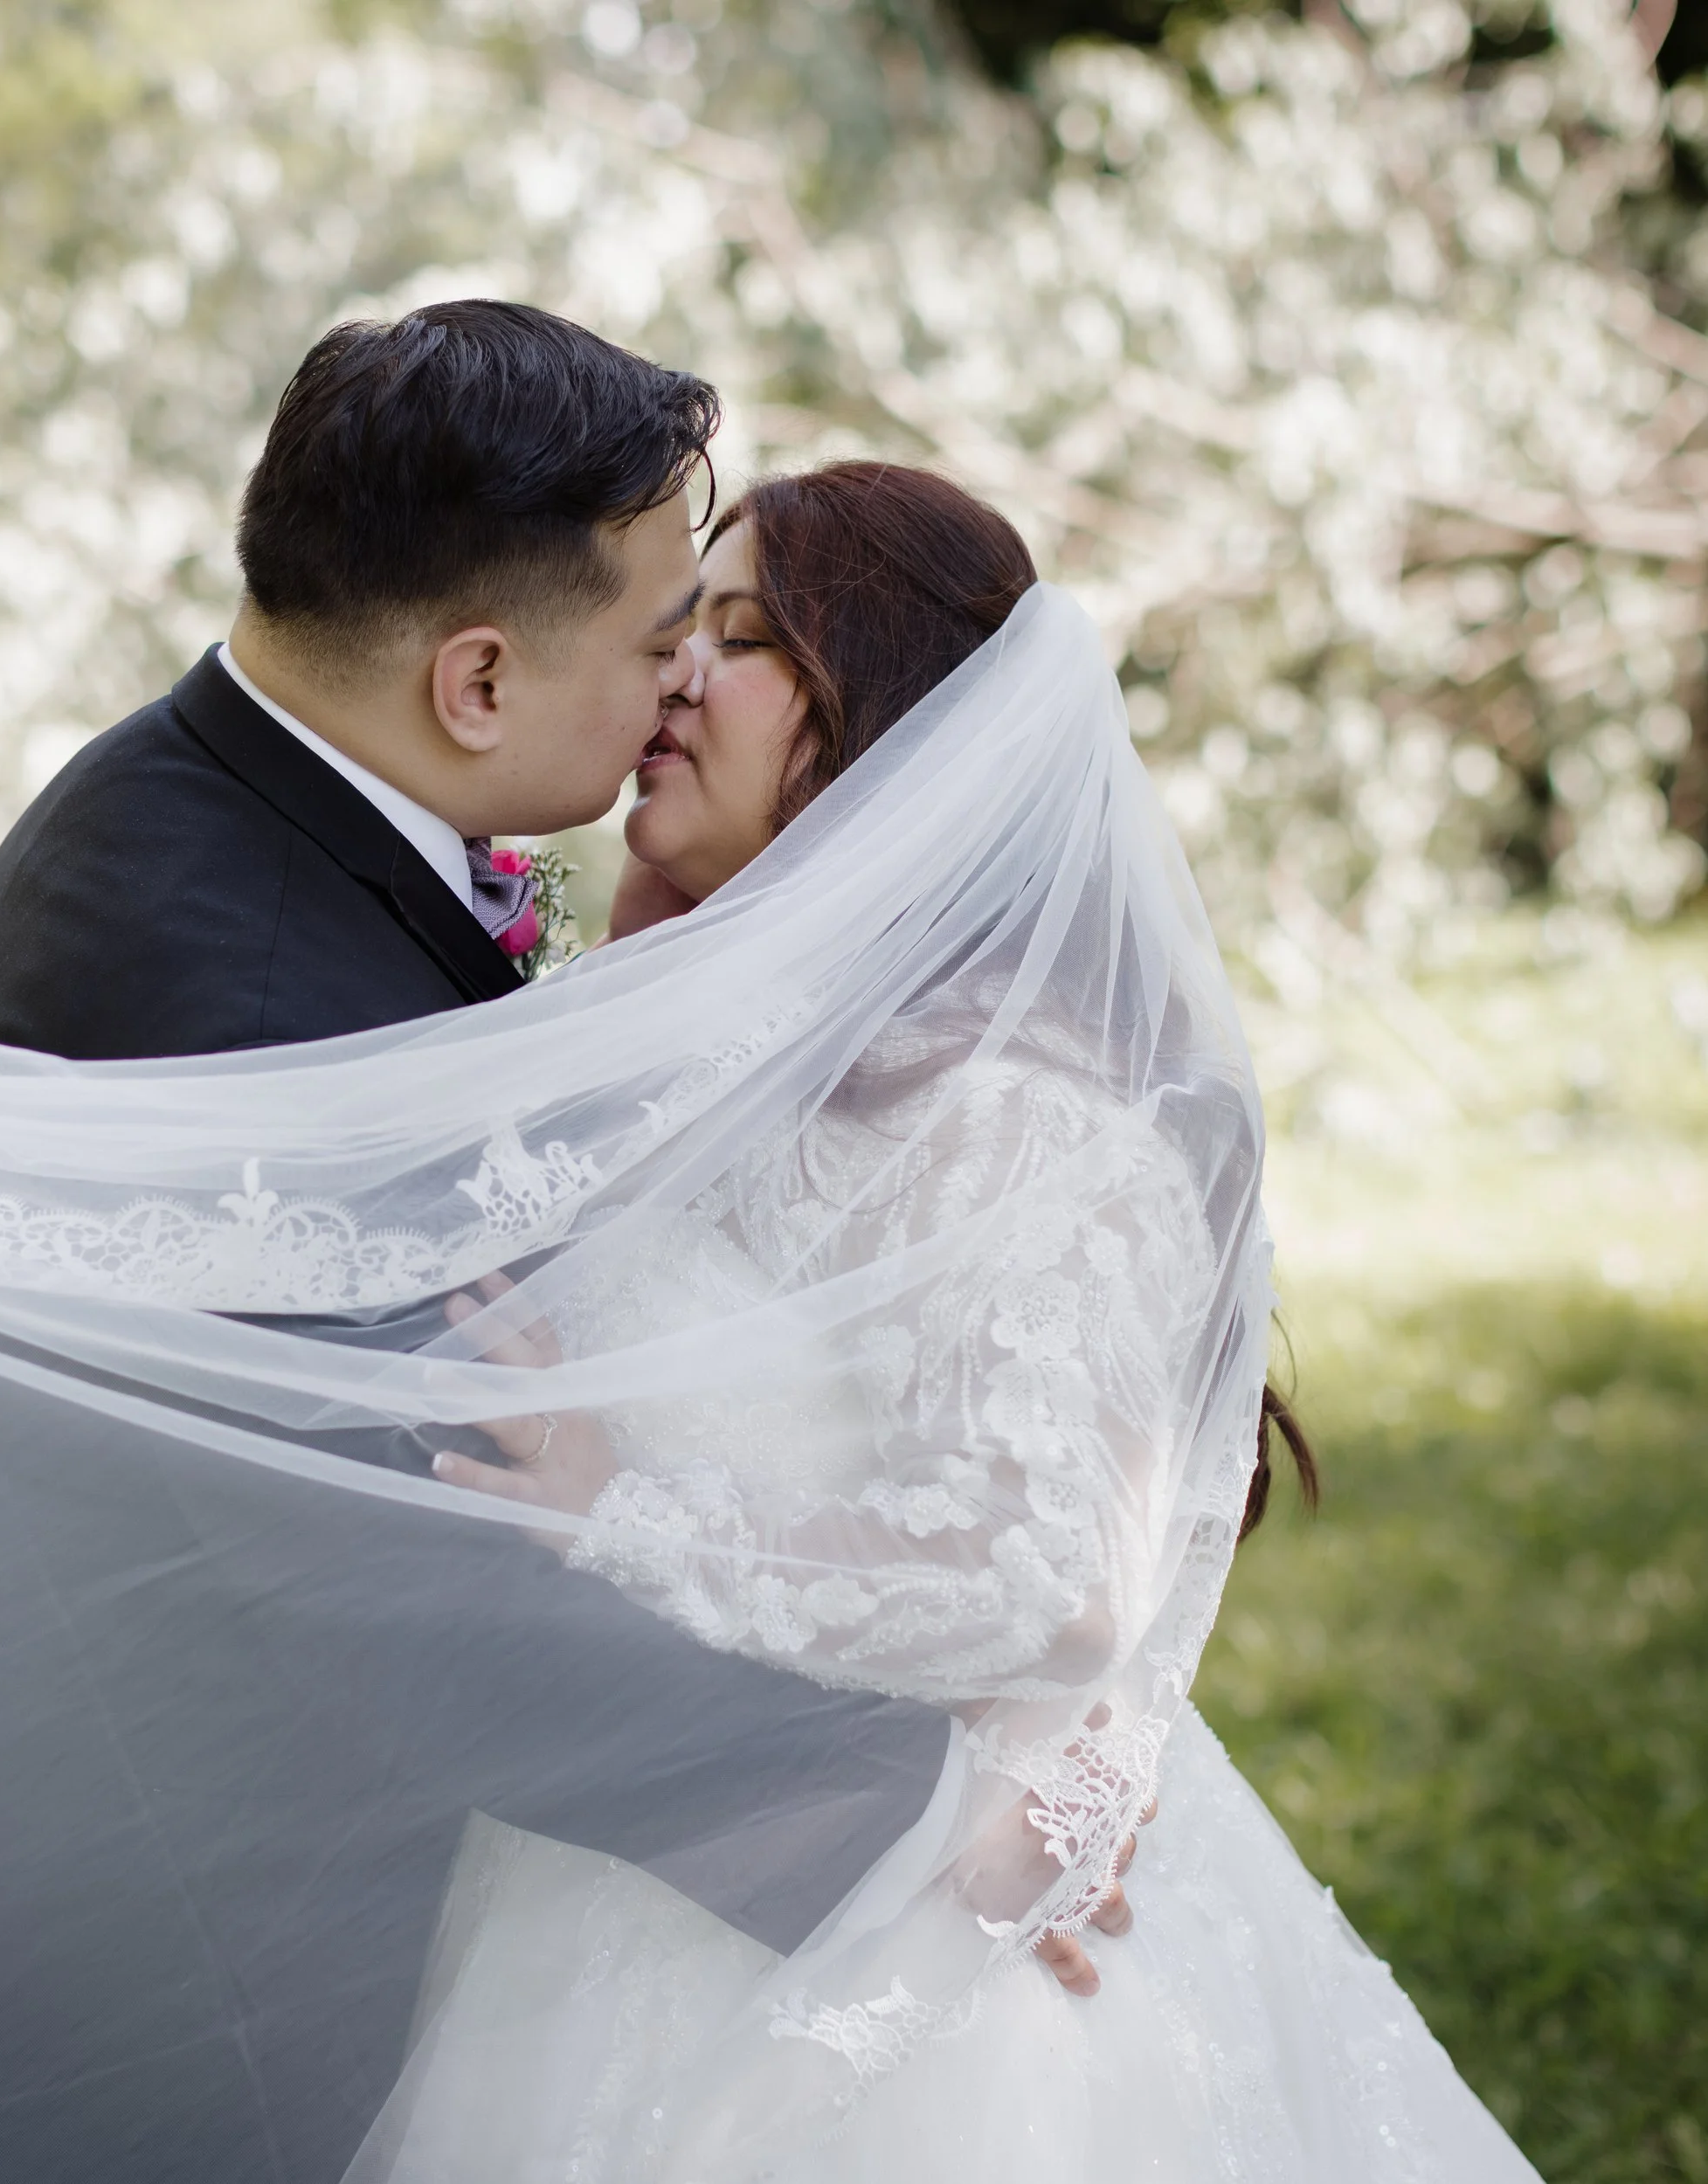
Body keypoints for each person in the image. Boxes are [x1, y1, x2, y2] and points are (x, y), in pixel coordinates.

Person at [0, 306, 977, 2184]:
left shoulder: (206, 800)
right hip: (102, 2009)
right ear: (475, 681)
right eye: (658, 640)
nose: (672, 694)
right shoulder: (244, 986)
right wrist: (925, 1818)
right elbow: (423, 1603)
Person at [343, 463, 1541, 2181]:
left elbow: (1051, 1570)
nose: (676, 672)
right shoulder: (694, 1045)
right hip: (623, 1878)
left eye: (742, 637)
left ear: (897, 724)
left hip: (903, 1991)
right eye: (681, 627)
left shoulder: (1018, 1114)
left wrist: (629, 1504)